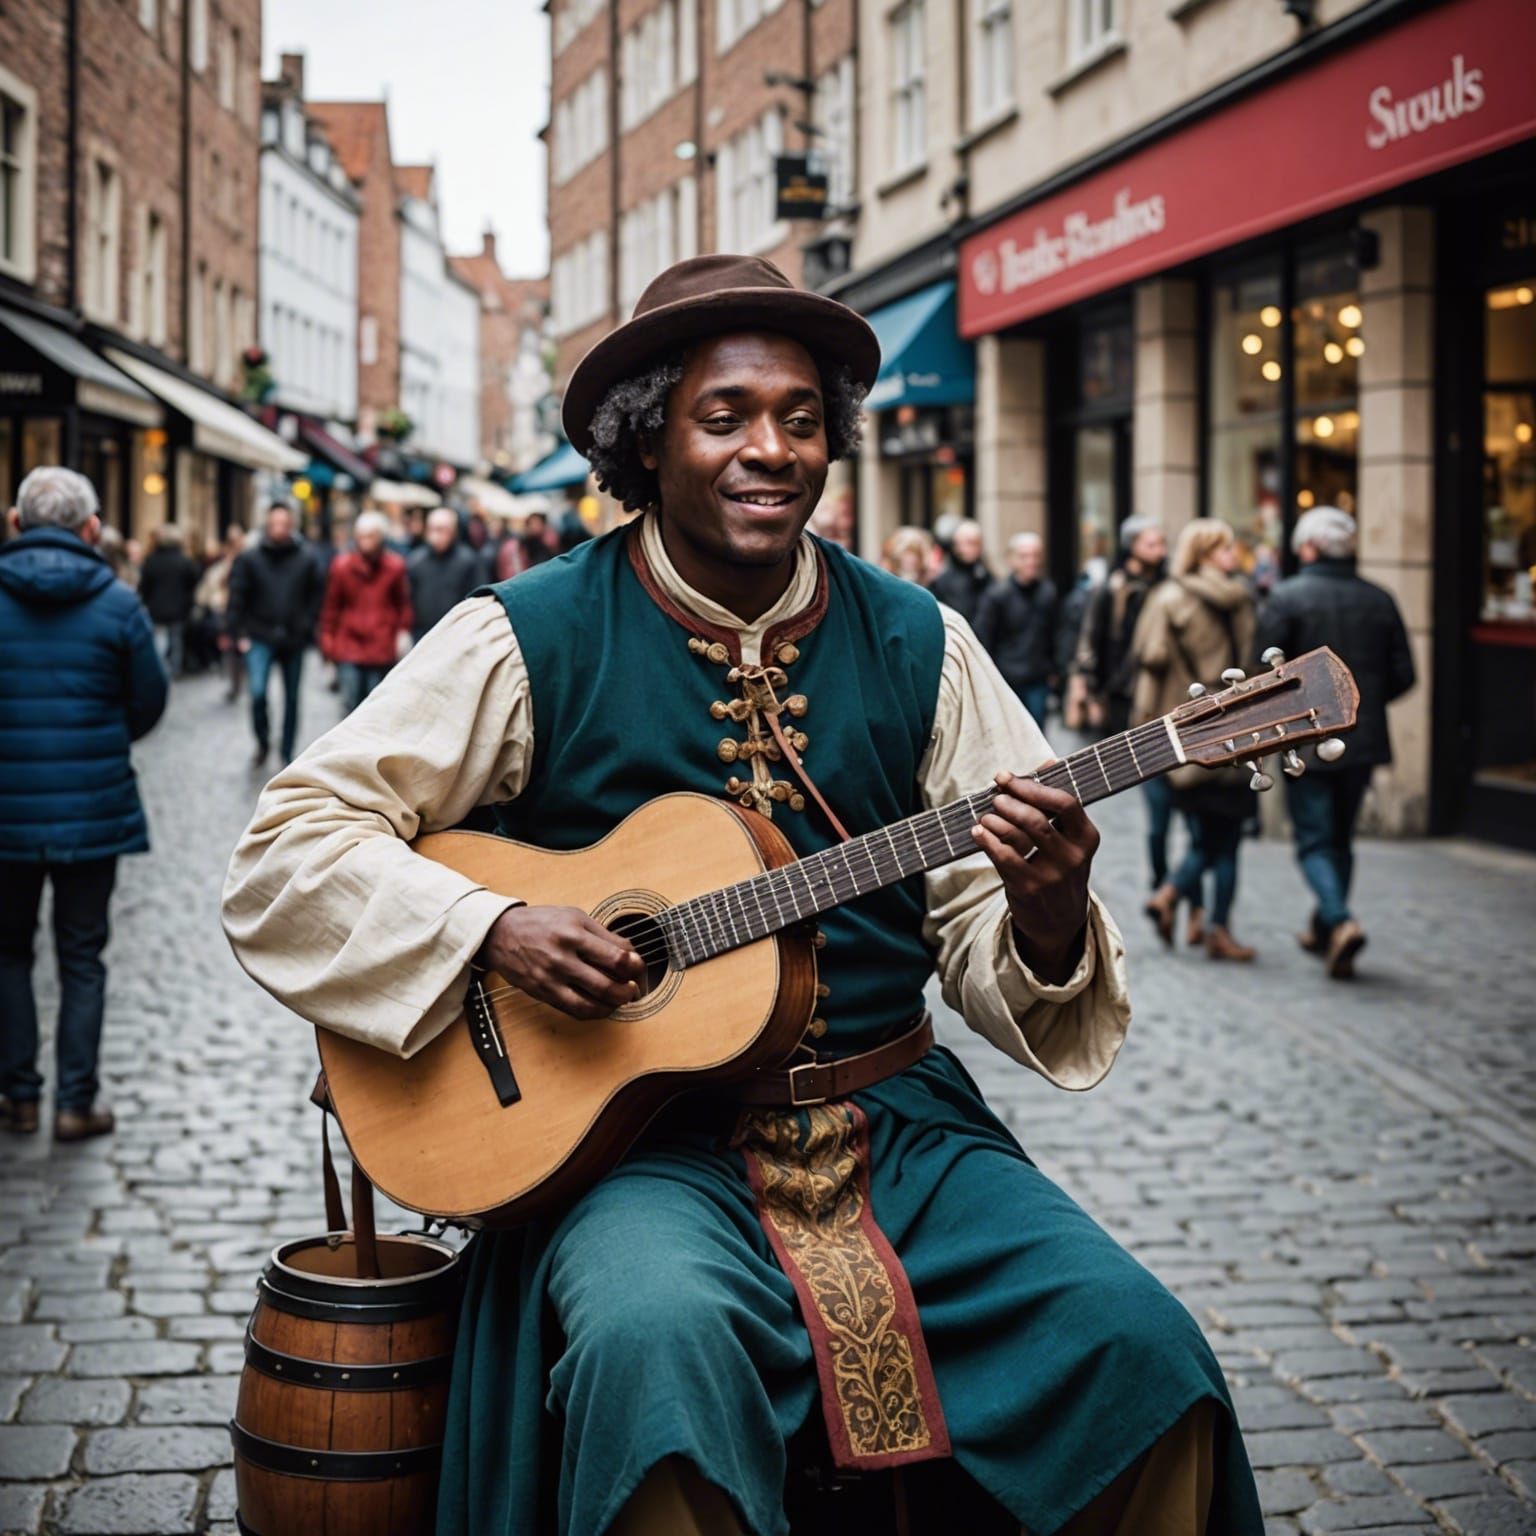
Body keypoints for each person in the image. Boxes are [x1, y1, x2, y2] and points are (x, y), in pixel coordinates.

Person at [224, 256, 1261, 1536]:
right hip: (638, 1153)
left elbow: (988, 941)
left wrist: (1047, 915)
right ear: (646, 442)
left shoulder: (923, 642)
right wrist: (489, 925)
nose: (771, 449)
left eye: (801, 419)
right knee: (653, 1347)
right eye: (725, 418)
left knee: (1142, 1348)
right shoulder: (524, 634)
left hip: (900, 1132)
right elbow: (289, 847)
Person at [0, 467, 168, 1142]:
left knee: (8, 953)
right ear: (92, 529)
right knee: (81, 956)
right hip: (92, 809)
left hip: (7, 812)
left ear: (16, 523)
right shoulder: (119, 604)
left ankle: (17, 1096)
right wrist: (101, 737)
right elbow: (149, 701)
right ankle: (76, 1102)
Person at [1255, 507, 1415, 978]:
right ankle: (1327, 929)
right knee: (1340, 838)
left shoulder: (1286, 597)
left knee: (1314, 840)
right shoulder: (1379, 598)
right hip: (1361, 737)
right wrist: (1361, 706)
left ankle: (1339, 919)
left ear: (1309, 547)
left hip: (1305, 738)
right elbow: (1404, 674)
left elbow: (1263, 676)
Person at [1134, 518, 1258, 962]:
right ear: (1205, 554)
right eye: (1225, 548)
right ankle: (1215, 926)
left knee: (1201, 832)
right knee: (1227, 838)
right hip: (1237, 728)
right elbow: (1254, 666)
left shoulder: (1167, 598)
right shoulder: (1241, 599)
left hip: (1187, 732)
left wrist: (1145, 733)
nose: (1233, 555)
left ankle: (1175, 898)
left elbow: (1150, 662)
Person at [1076, 516, 1171, 887]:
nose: (1160, 551)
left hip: (1159, 693)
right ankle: (1160, 876)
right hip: (1121, 692)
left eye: (1161, 543)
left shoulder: (1168, 587)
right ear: (1133, 546)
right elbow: (1093, 638)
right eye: (1152, 544)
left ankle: (1164, 878)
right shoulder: (1112, 589)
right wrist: (1093, 689)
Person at [228, 502, 324, 767]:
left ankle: (286, 749)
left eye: (284, 523)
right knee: (257, 692)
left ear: (291, 525)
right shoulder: (250, 559)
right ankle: (263, 740)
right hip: (259, 635)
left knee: (292, 698)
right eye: (275, 523)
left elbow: (316, 596)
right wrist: (237, 632)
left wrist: (307, 626)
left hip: (293, 637)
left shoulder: (306, 559)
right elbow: (237, 596)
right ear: (267, 525)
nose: (279, 529)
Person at [318, 509, 412, 712]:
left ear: (381, 537)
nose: (366, 542)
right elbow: (331, 607)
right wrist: (328, 643)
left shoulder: (395, 567)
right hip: (349, 645)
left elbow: (402, 604)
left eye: (371, 536)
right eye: (362, 536)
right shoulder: (342, 567)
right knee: (351, 705)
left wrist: (401, 633)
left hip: (381, 645)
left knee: (375, 707)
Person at [973, 531, 1059, 726]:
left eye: (1036, 556)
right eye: (1024, 556)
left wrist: (1055, 670)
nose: (1031, 562)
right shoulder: (996, 595)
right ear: (1011, 559)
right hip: (1005, 678)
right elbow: (984, 637)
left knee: (1037, 733)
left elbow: (1055, 634)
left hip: (1038, 677)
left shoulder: (1048, 593)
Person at [409, 507, 485, 642]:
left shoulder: (468, 561)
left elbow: (477, 599)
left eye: (441, 529)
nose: (436, 535)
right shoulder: (416, 561)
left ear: (453, 531)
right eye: (432, 529)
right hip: (422, 635)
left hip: (457, 634)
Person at [137, 524, 201, 677]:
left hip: (156, 608)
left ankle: (159, 669)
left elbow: (144, 586)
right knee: (176, 642)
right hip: (179, 609)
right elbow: (194, 582)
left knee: (159, 641)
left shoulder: (152, 561)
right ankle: (173, 670)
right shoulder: (184, 561)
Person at [194, 525, 247, 700]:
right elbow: (214, 584)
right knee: (230, 646)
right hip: (225, 607)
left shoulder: (247, 558)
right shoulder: (224, 561)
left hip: (243, 609)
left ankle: (241, 679)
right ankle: (234, 682)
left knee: (241, 646)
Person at [928, 518, 991, 626]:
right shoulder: (942, 581)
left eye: (973, 543)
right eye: (964, 543)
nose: (968, 549)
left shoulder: (986, 576)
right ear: (956, 545)